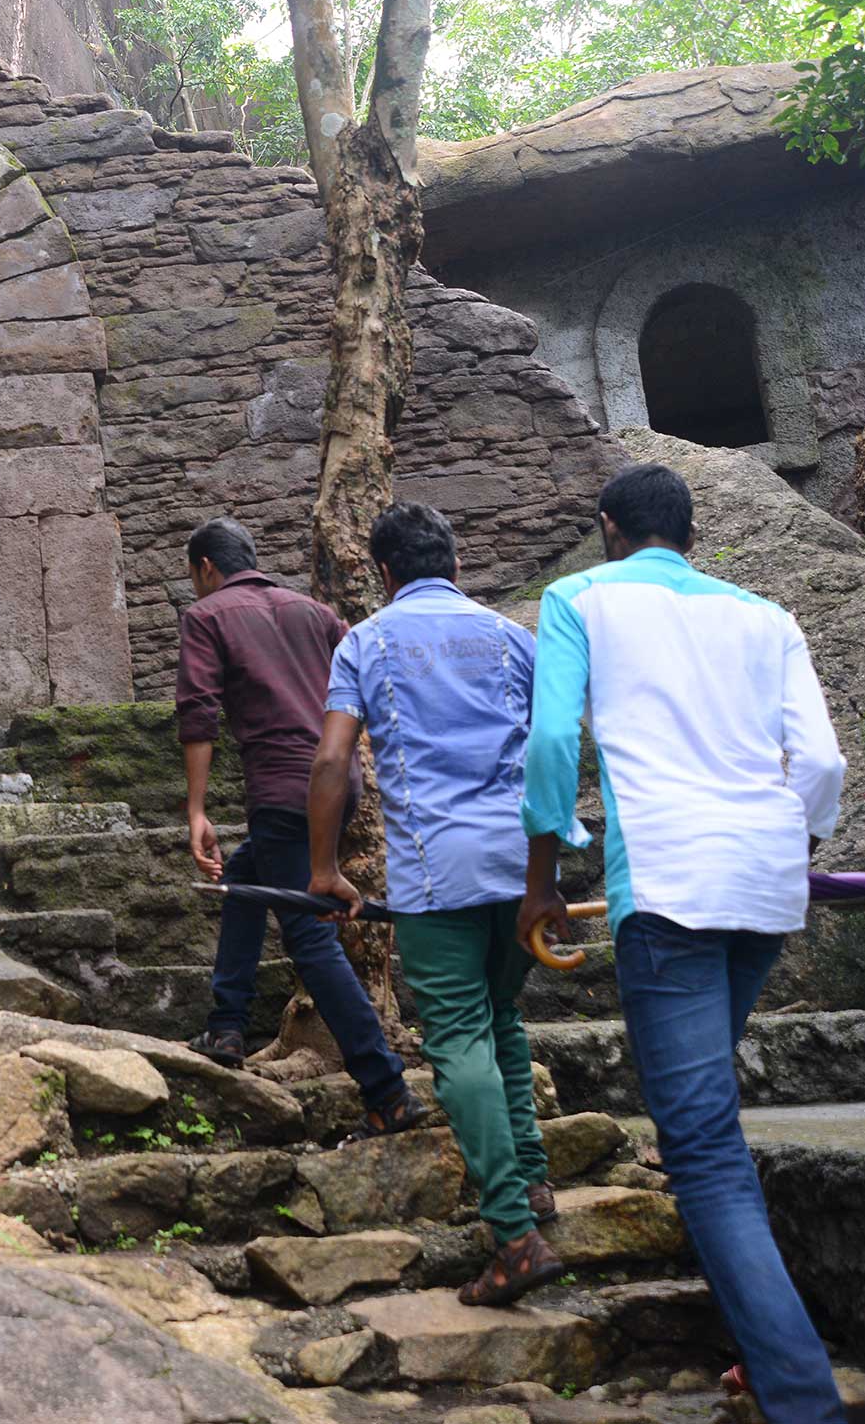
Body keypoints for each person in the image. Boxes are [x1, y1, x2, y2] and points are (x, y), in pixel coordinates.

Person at [520, 463, 847, 1423]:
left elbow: (548, 747)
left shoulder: (578, 596)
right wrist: (796, 837)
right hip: (765, 883)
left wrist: (542, 880)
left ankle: (803, 1398)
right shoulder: (766, 614)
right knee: (709, 1132)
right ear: (692, 530)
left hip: (667, 885)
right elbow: (820, 761)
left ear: (609, 526)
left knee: (700, 1149)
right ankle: (762, 1351)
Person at [308, 502, 563, 1305]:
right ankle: (537, 1184)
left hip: (436, 870)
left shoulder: (366, 641)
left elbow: (332, 760)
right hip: (527, 861)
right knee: (504, 1019)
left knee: (458, 1040)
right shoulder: (513, 635)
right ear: (455, 562)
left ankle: (514, 1235)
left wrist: (323, 867)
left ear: (384, 574)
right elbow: (559, 742)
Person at [176, 517, 424, 1137]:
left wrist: (197, 810)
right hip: (337, 787)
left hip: (283, 789)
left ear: (206, 567)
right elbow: (368, 692)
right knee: (245, 872)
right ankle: (227, 1024)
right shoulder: (316, 614)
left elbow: (199, 714)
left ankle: (386, 1088)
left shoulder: (208, 617)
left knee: (310, 937)